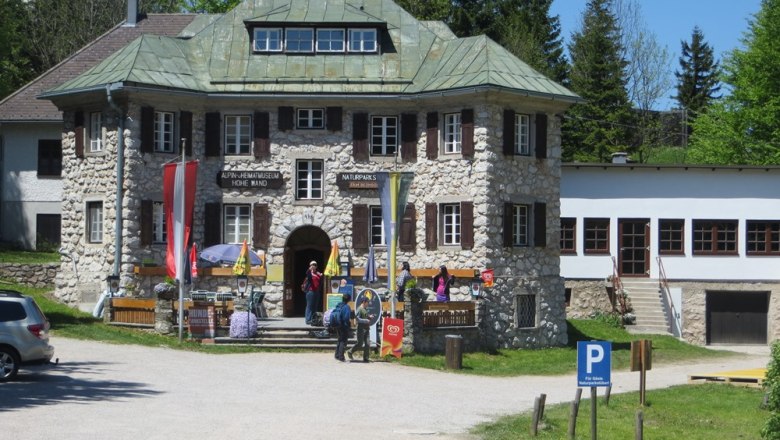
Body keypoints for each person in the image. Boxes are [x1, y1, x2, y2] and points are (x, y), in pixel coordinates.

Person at [347, 296, 374, 362]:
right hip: (361, 329)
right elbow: (357, 319)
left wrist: (369, 317)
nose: (368, 304)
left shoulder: (365, 309)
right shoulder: (359, 309)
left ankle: (366, 358)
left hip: (366, 329)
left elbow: (365, 317)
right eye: (367, 302)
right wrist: (366, 320)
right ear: (364, 302)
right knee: (360, 344)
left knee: (367, 343)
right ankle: (350, 351)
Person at [334, 294, 353, 362]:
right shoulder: (346, 307)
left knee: (339, 340)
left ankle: (337, 355)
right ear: (349, 300)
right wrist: (349, 324)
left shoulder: (339, 305)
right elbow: (346, 318)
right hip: (344, 326)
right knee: (343, 341)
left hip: (338, 325)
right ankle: (341, 357)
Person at [303, 261, 322, 325]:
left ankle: (313, 319)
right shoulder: (309, 273)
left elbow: (320, 281)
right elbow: (308, 274)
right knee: (309, 306)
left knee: (315, 306)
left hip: (317, 291)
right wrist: (310, 269)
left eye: (315, 265)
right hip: (310, 291)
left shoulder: (318, 273)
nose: (314, 266)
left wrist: (321, 275)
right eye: (312, 265)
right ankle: (308, 320)